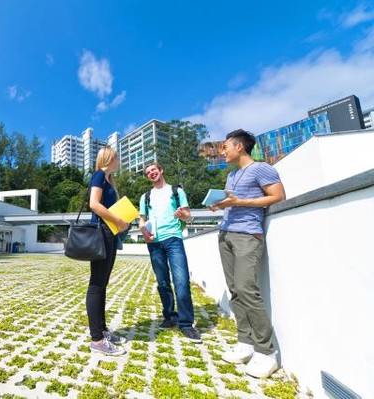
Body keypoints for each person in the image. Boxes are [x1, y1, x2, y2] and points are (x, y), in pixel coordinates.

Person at [210, 129, 286, 378]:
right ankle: (245, 342)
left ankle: (266, 351)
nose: (223, 151)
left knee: (246, 289)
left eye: (225, 147)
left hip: (247, 235)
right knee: (235, 291)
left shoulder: (261, 169)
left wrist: (240, 202)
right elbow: (233, 201)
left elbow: (278, 196)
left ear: (239, 146)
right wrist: (219, 204)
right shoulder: (232, 176)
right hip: (226, 234)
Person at [139, 163, 202, 343]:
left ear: (161, 171)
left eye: (154, 170)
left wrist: (183, 215)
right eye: (148, 172)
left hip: (174, 239)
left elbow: (188, 216)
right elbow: (142, 220)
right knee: (163, 282)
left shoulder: (176, 191)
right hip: (154, 242)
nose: (151, 173)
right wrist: (144, 232)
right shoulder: (146, 196)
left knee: (181, 280)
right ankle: (169, 316)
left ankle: (186, 324)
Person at [86, 146, 130, 356]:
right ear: (110, 158)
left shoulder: (109, 180)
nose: (119, 160)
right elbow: (94, 204)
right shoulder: (99, 175)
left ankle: (102, 330)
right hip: (102, 233)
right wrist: (119, 220)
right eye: (117, 157)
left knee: (102, 284)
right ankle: (97, 340)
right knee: (96, 285)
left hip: (109, 235)